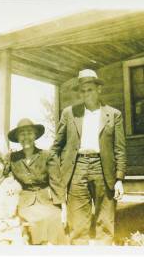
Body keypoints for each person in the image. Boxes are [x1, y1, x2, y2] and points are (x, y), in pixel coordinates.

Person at [50, 69, 127, 245]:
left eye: (90, 90)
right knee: (77, 224)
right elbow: (56, 147)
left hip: (103, 168)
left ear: (98, 89)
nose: (86, 94)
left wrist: (119, 179)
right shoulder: (69, 113)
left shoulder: (113, 114)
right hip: (77, 167)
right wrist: (59, 174)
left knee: (105, 223)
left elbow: (120, 149)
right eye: (82, 91)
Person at [7, 118, 67, 245]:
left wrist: (62, 207)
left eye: (29, 133)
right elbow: (3, 175)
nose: (26, 137)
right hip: (25, 201)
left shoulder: (47, 155)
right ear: (17, 138)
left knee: (55, 218)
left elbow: (56, 182)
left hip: (46, 199)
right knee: (34, 220)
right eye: (22, 134)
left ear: (35, 135)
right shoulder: (13, 158)